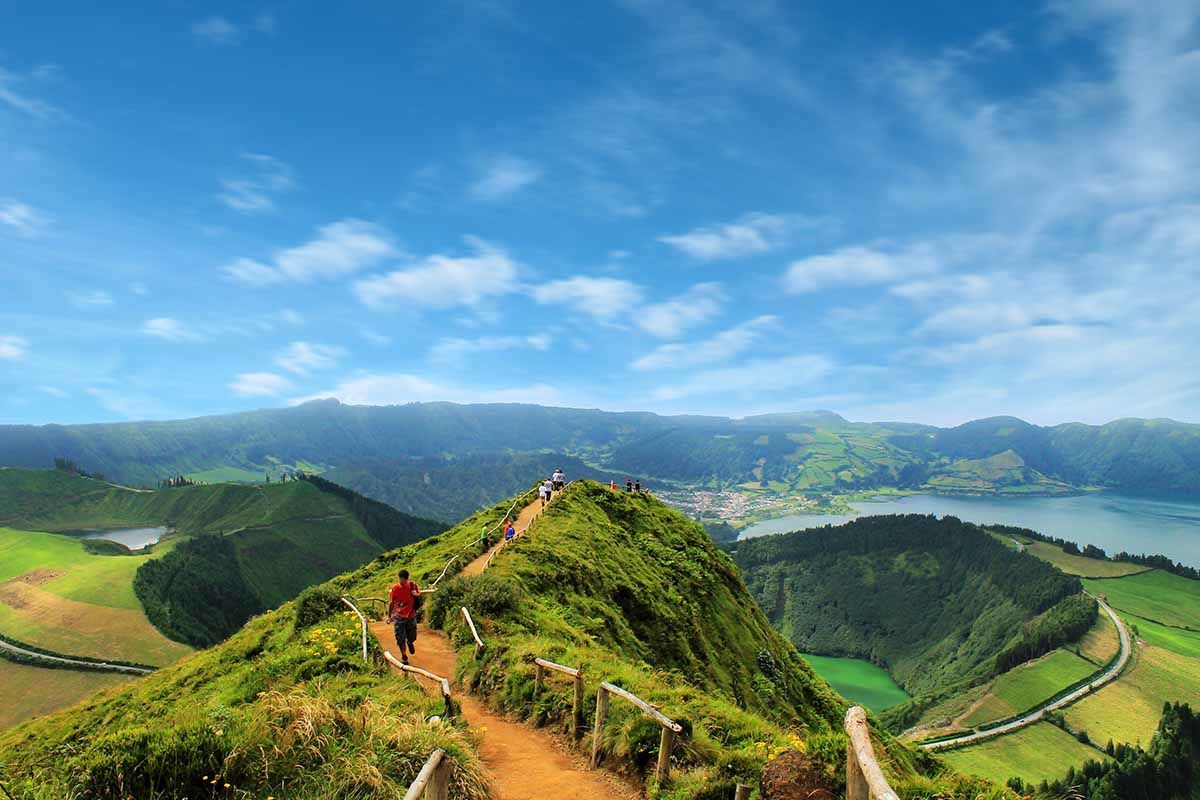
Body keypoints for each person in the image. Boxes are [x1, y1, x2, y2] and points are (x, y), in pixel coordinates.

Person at [388, 569, 421, 664]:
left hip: (411, 615)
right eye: (401, 579)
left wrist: (416, 594)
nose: (402, 581)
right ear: (399, 578)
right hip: (398, 616)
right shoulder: (395, 588)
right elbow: (391, 602)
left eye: (404, 579)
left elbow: (419, 594)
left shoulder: (413, 585)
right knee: (400, 637)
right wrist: (389, 616)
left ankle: (410, 642)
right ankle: (404, 655)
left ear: (407, 579)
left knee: (412, 636)